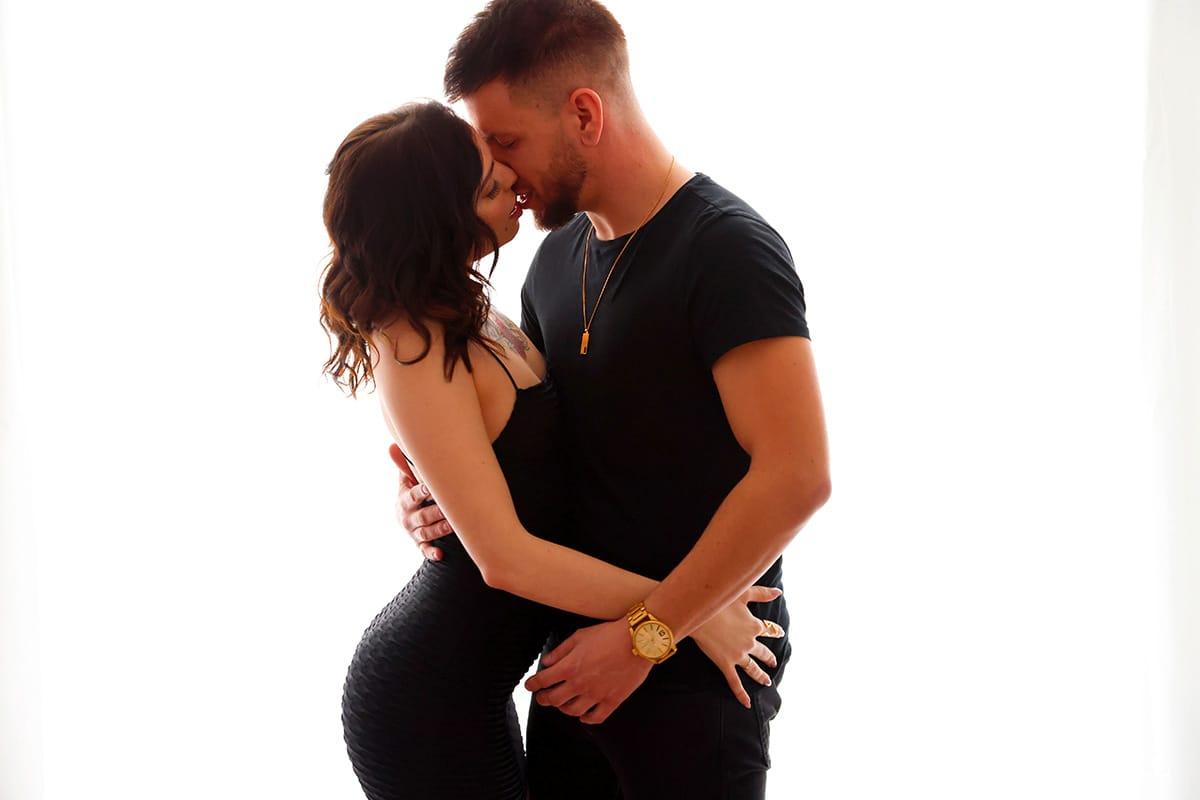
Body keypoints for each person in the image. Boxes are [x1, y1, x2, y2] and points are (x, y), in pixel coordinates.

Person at [394, 1, 831, 797]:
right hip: (570, 671)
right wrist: (437, 497)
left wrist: (647, 636)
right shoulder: (554, 261)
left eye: (507, 144)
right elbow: (543, 448)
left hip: (698, 676)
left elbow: (797, 476)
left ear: (585, 115)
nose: (499, 176)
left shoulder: (728, 250)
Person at [320, 100, 786, 800]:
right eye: (488, 186)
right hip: (426, 704)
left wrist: (425, 496)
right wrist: (687, 617)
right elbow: (504, 559)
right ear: (439, 222)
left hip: (479, 689)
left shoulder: (472, 306)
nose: (512, 183)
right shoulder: (410, 343)